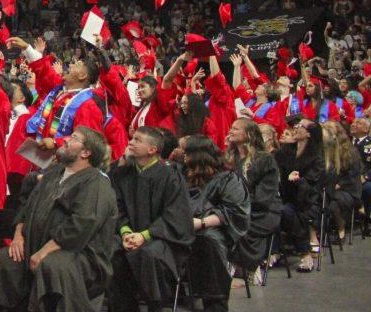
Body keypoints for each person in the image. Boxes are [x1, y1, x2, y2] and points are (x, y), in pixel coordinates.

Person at [0, 127, 118, 312]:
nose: (65, 140)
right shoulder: (55, 172)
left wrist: (44, 251)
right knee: (4, 261)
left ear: (86, 153)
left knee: (50, 267)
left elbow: (81, 225)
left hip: (76, 253)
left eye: (74, 138)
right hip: (35, 243)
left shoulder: (96, 183)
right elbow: (27, 205)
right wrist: (18, 236)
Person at [108, 126, 193, 312]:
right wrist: (126, 232)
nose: (130, 142)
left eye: (137, 140)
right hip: (128, 234)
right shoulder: (122, 174)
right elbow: (117, 207)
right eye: (132, 138)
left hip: (163, 238)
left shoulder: (170, 176)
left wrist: (144, 235)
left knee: (148, 254)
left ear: (152, 150)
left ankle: (157, 306)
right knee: (111, 251)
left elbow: (176, 215)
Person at [182, 135, 250, 312]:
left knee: (207, 241)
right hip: (179, 228)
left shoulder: (226, 179)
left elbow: (234, 211)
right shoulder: (179, 175)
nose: (183, 157)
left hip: (214, 229)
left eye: (186, 153)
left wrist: (201, 223)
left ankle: (215, 304)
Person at [225, 118, 282, 274]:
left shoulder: (264, 159)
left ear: (248, 134)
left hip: (262, 211)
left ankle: (247, 270)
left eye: (236, 129)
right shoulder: (229, 159)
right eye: (231, 128)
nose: (231, 131)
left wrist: (234, 203)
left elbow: (264, 199)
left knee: (236, 226)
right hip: (236, 208)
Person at [275, 117, 323, 271]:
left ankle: (304, 252)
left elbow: (312, 184)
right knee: (274, 209)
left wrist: (298, 180)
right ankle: (276, 250)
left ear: (308, 134)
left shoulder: (316, 157)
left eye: (300, 125)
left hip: (307, 201)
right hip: (284, 196)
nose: (295, 127)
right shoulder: (287, 150)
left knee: (288, 212)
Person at [319, 120, 360, 240]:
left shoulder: (350, 152)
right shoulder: (324, 149)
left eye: (329, 128)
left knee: (332, 202)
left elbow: (353, 176)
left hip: (347, 188)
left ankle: (340, 225)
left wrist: (339, 184)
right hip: (329, 186)